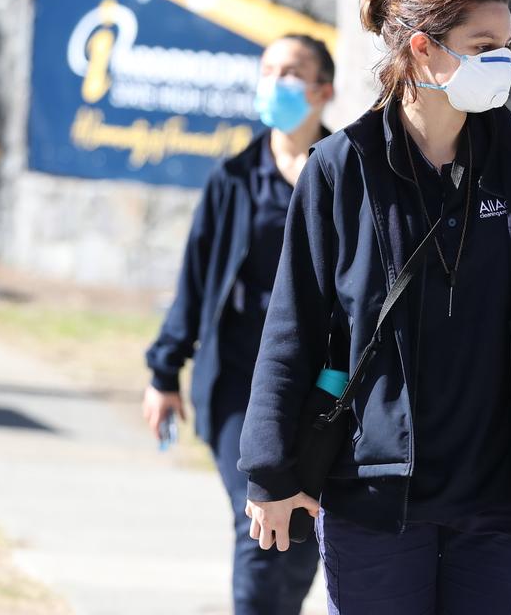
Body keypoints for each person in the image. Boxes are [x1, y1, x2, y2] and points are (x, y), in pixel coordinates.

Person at [236, 0, 511, 615]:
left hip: (502, 503)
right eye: (483, 48)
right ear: (422, 49)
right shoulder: (341, 169)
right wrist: (271, 471)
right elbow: (293, 328)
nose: (501, 64)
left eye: (505, 47)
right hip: (374, 498)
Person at [142, 34, 334, 615]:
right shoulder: (233, 178)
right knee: (255, 519)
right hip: (236, 389)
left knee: (301, 531)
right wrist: (164, 371)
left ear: (324, 90)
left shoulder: (346, 173)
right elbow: (196, 279)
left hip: (322, 387)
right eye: (269, 70)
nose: (278, 82)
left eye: (293, 72)